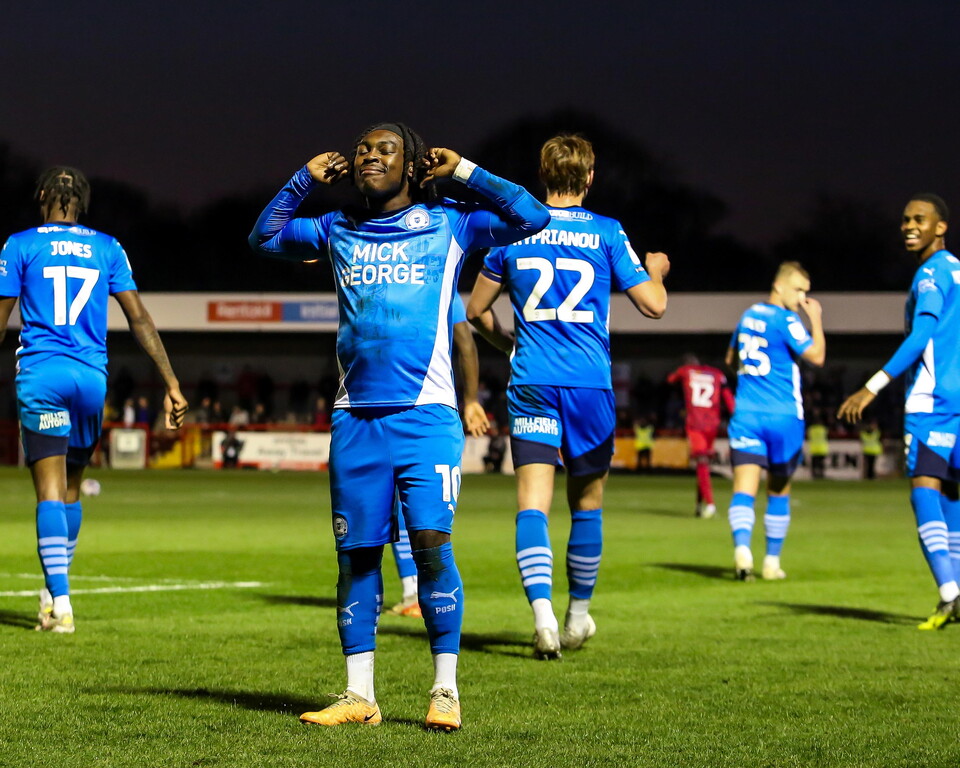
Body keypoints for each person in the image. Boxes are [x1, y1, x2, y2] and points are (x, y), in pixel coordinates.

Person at [249, 122, 549, 729]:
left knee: (433, 549)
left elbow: (533, 216)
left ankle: (445, 690)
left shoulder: (454, 223)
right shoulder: (336, 228)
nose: (367, 156)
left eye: (383, 149)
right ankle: (360, 696)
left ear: (414, 166)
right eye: (362, 149)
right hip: (355, 419)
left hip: (427, 416)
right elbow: (264, 236)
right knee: (356, 557)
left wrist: (464, 171)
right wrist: (305, 178)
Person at [467, 134, 669, 659]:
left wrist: (508, 343)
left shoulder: (512, 231)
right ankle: (578, 617)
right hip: (588, 386)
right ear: (589, 177)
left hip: (531, 381)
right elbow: (653, 306)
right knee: (587, 505)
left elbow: (475, 310)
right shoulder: (607, 232)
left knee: (532, 505)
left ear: (542, 176)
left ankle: (543, 619)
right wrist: (659, 272)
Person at [0, 166, 187, 633]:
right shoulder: (107, 247)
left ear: (42, 195)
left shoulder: (19, 244)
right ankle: (51, 593)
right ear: (83, 203)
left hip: (43, 374)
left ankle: (60, 606)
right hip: (90, 380)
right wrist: (171, 382)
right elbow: (140, 319)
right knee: (71, 487)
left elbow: (0, 319)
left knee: (47, 488)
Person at [838, 193, 960, 630]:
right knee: (951, 494)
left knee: (924, 490)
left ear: (940, 228)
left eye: (919, 219)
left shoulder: (931, 273)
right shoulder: (957, 272)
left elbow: (922, 334)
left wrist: (872, 386)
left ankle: (949, 594)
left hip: (932, 401)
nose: (909, 225)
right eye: (905, 219)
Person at [387, 295, 489, 619]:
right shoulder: (439, 276)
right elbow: (467, 344)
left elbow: (466, 343)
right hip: (426, 411)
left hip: (412, 410)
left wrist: (471, 399)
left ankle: (417, 591)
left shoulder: (426, 276)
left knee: (411, 509)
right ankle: (412, 591)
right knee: (409, 508)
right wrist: (470, 399)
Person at [724, 261, 825, 581]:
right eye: (799, 290)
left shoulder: (748, 314)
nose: (802, 298)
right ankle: (771, 562)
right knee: (778, 491)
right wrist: (817, 320)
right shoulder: (789, 320)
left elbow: (730, 360)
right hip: (784, 417)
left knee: (744, 489)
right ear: (779, 286)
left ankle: (742, 551)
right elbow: (817, 356)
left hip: (747, 414)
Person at [666, 355, 735, 515]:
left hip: (696, 423)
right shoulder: (717, 374)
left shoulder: (686, 371)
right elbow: (728, 399)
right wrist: (735, 415)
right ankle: (699, 506)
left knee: (702, 462)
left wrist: (680, 375)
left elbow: (670, 379)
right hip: (713, 423)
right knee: (702, 464)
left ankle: (710, 504)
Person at [806, 411, 829, 480]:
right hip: (822, 449)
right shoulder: (823, 429)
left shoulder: (811, 429)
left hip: (814, 449)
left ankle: (814, 475)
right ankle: (821, 474)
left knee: (814, 464)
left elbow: (807, 436)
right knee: (821, 463)